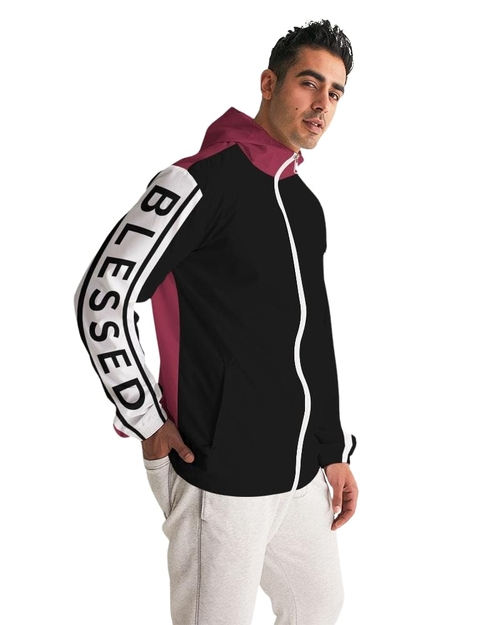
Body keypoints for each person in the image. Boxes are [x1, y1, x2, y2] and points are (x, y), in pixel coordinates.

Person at [74, 18, 358, 625]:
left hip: (299, 474)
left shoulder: (305, 206)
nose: (322, 105)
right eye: (309, 83)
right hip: (218, 470)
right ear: (269, 83)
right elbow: (102, 295)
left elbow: (312, 335)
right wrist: (145, 417)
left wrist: (331, 448)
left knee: (317, 605)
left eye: (335, 92)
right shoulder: (197, 182)